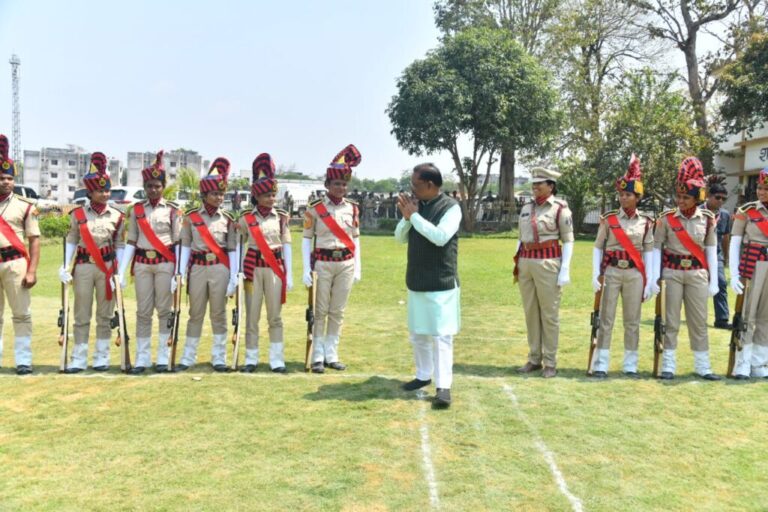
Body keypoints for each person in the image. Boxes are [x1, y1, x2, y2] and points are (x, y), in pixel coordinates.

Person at [395, 163, 461, 409]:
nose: (412, 190)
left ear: (431, 185)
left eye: (416, 185)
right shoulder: (416, 207)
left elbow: (440, 237)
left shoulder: (451, 208)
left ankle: (443, 386)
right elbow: (399, 238)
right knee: (418, 333)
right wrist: (407, 219)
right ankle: (423, 374)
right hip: (417, 279)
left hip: (441, 282)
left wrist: (414, 217)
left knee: (441, 336)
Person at [651, 157, 720, 380]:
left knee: (698, 321)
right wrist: (654, 277)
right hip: (672, 273)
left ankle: (703, 366)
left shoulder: (708, 219)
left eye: (685, 197)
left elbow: (711, 249)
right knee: (671, 320)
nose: (680, 201)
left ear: (697, 198)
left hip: (697, 274)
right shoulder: (666, 219)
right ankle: (668, 366)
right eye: (678, 196)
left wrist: (714, 280)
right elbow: (656, 249)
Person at [59, 152, 125, 373]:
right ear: (90, 192)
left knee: (105, 315)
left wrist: (121, 273)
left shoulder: (117, 216)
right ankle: (78, 357)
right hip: (85, 266)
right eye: (100, 190)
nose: (105, 194)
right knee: (81, 313)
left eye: (107, 190)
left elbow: (121, 245)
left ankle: (101, 357)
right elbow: (72, 239)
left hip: (107, 268)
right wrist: (65, 266)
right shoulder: (77, 214)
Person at [590, 155, 654, 378]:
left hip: (635, 273)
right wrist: (595, 274)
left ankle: (630, 364)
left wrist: (650, 280)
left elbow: (648, 252)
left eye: (627, 195)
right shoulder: (609, 219)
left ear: (637, 197)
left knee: (632, 320)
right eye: (621, 194)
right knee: (606, 318)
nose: (623, 198)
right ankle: (601, 363)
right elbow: (598, 247)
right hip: (612, 271)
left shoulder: (646, 222)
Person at [117, 151, 181, 374]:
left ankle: (163, 357)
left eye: (157, 185)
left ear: (163, 186)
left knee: (165, 310)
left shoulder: (173, 210)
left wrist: (179, 273)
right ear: (145, 187)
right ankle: (142, 358)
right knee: (143, 312)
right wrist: (122, 271)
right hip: (143, 264)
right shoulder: (136, 211)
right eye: (149, 186)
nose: (153, 189)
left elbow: (178, 242)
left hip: (166, 264)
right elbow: (131, 241)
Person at [302, 144, 362, 373]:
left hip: (345, 263)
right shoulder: (315, 209)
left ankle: (331, 354)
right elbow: (307, 238)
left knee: (338, 311)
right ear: (327, 185)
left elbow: (356, 239)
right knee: (320, 310)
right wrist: (306, 269)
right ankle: (317, 356)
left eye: (344, 183)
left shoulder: (353, 209)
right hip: (323, 263)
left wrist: (358, 267)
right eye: (337, 183)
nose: (341, 187)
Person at [176, 158, 238, 372]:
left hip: (220, 268)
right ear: (204, 195)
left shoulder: (228, 218)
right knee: (196, 313)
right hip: (198, 268)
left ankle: (219, 356)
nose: (219, 198)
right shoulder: (191, 217)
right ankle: (188, 356)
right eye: (214, 194)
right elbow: (185, 245)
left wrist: (233, 277)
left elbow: (232, 249)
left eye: (222, 194)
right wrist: (180, 272)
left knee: (219, 313)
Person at [514, 167, 574, 378]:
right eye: (534, 182)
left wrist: (565, 269)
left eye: (540, 182)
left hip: (548, 262)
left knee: (549, 314)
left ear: (551, 185)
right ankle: (534, 358)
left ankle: (550, 361)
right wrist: (517, 261)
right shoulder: (526, 208)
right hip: (526, 262)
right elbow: (521, 237)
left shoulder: (560, 209)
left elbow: (568, 240)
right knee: (531, 312)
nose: (535, 186)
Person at [239, 153, 293, 373]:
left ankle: (276, 359)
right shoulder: (245, 218)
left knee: (275, 316)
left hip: (274, 269)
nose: (272, 198)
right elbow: (238, 245)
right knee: (252, 316)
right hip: (252, 270)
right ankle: (251, 358)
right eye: (267, 195)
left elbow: (286, 244)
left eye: (273, 194)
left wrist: (288, 274)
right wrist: (236, 273)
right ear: (257, 196)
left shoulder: (281, 217)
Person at [0, 134, 40, 375]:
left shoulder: (26, 205)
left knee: (21, 314)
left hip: (15, 263)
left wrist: (33, 270)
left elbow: (34, 239)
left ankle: (23, 360)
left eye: (10, 178)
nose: (6, 182)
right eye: (2, 178)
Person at [728, 167, 768, 379]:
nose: (761, 192)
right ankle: (743, 363)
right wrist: (734, 274)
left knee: (766, 318)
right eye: (760, 187)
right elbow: (734, 244)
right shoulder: (747, 211)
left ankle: (760, 363)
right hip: (754, 267)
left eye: (765, 188)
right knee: (747, 316)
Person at [700, 175, 731, 329]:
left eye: (723, 199)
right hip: (697, 254)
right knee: (695, 285)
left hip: (716, 255)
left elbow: (725, 237)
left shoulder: (724, 215)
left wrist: (725, 257)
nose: (720, 201)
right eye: (717, 197)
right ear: (708, 196)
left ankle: (722, 319)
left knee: (721, 282)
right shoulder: (697, 211)